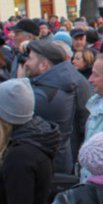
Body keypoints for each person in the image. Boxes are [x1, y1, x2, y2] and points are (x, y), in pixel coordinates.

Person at [23, 39, 92, 173]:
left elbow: (84, 121)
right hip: (61, 156)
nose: (26, 63)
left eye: (30, 59)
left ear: (44, 65)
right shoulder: (59, 81)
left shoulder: (49, 93)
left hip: (55, 159)